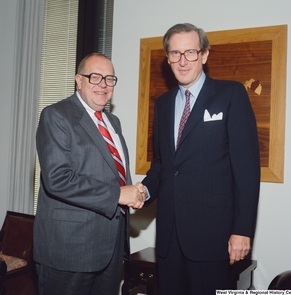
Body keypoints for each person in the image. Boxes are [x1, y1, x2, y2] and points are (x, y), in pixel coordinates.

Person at [142, 23, 260, 294]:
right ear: (168, 58)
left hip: (213, 239)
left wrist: (242, 231)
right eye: (175, 53)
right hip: (169, 240)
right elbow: (163, 164)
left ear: (204, 55)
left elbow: (246, 170)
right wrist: (144, 191)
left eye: (190, 52)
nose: (182, 61)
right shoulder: (162, 104)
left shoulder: (231, 95)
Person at [33, 52, 146, 295]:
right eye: (95, 77)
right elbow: (57, 179)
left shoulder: (113, 122)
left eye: (109, 79)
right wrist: (118, 194)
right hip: (69, 252)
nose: (103, 85)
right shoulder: (56, 115)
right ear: (78, 80)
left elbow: (112, 172)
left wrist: (135, 193)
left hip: (111, 251)